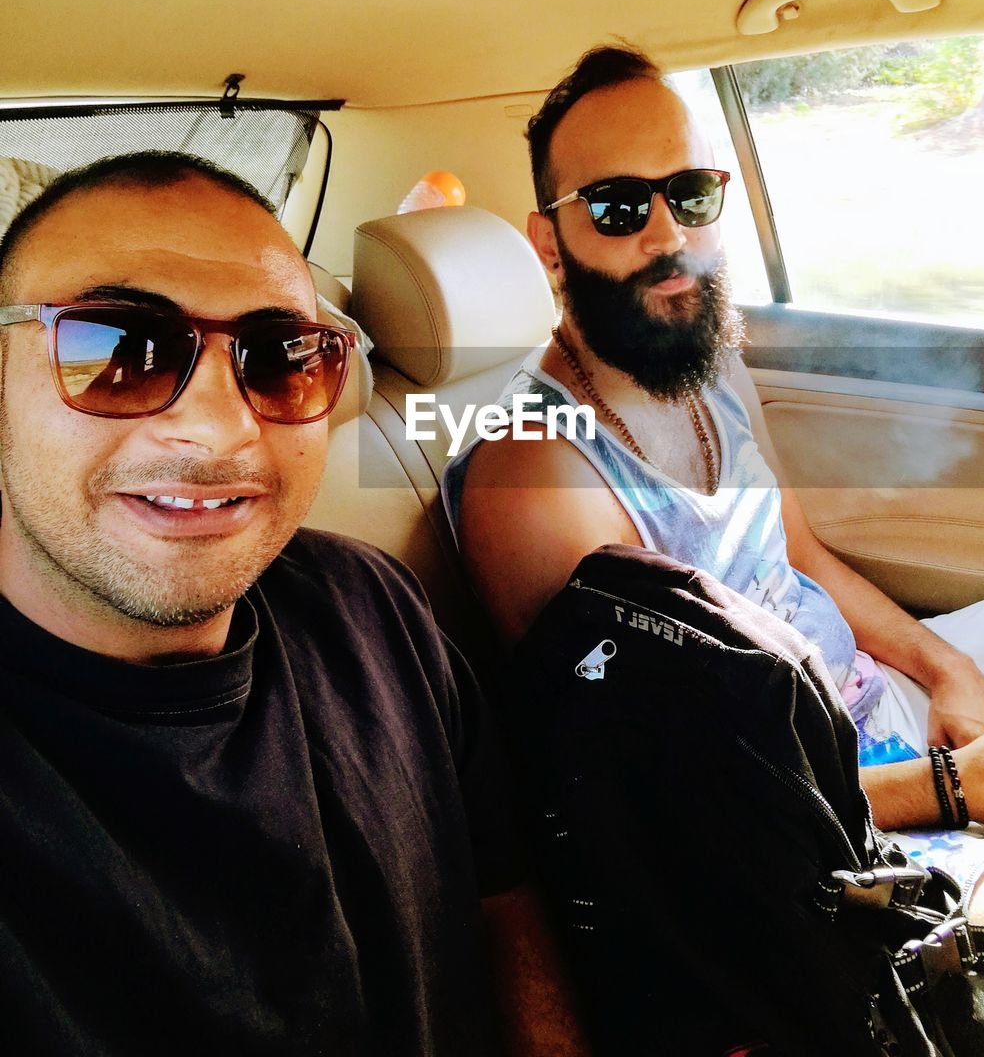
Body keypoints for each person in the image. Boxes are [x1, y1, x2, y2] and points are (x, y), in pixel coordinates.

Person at [445, 44, 984, 1004]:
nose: (667, 235)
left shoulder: (706, 372)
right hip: (807, 835)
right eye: (621, 207)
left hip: (877, 722)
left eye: (691, 195)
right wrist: (960, 785)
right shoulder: (541, 479)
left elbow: (801, 559)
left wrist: (948, 672)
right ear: (550, 245)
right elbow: (660, 807)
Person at [0, 151, 586, 1056]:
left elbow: (501, 901)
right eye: (116, 349)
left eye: (279, 360)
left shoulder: (373, 607)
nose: (221, 424)